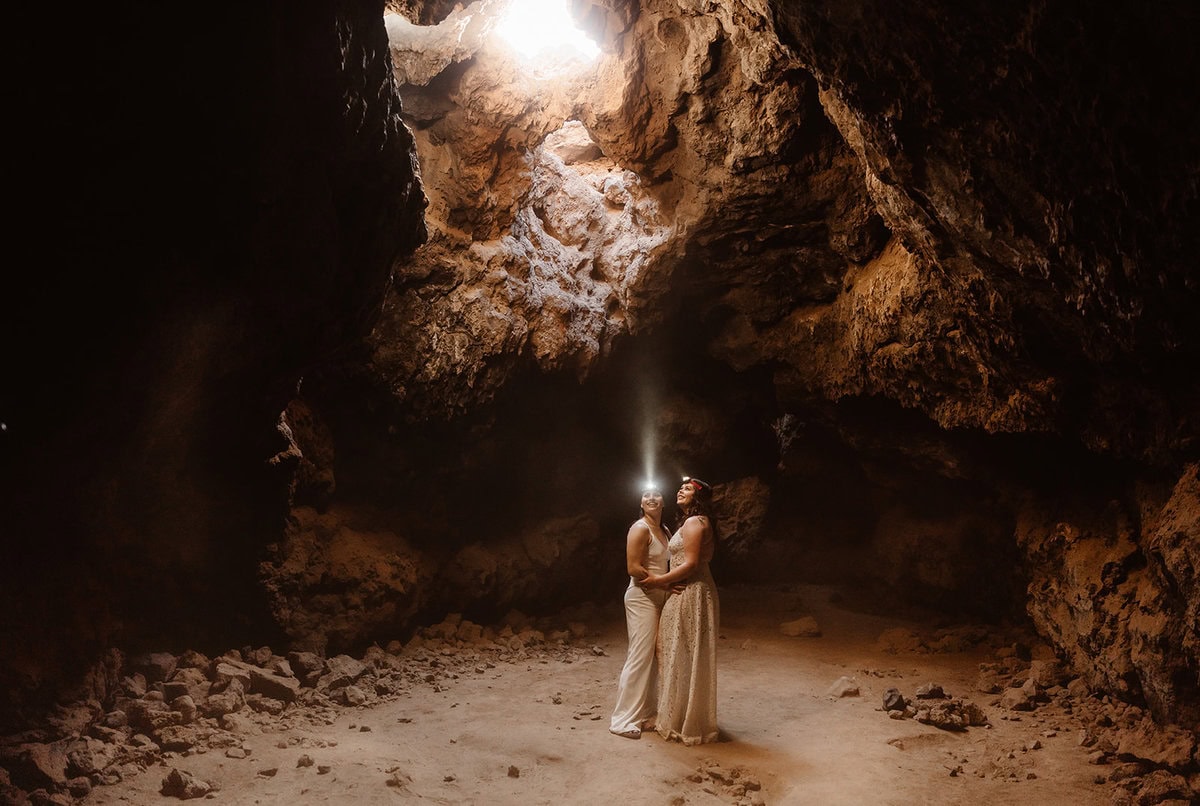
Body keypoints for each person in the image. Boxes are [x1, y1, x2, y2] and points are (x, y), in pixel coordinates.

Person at [641, 475, 720, 745]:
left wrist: (658, 581)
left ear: (697, 497)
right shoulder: (690, 522)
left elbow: (691, 563)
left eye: (687, 489)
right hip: (686, 588)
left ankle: (680, 719)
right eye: (680, 487)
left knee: (680, 649)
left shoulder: (695, 522)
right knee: (674, 648)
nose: (680, 491)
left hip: (692, 589)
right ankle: (674, 713)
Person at [609, 484, 672, 739]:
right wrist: (663, 582)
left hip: (661, 596)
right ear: (640, 503)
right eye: (646, 495)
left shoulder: (664, 530)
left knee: (655, 657)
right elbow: (633, 568)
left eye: (656, 494)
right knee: (639, 655)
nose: (651, 498)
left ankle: (646, 713)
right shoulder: (639, 529)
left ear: (663, 501)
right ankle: (622, 720)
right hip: (641, 597)